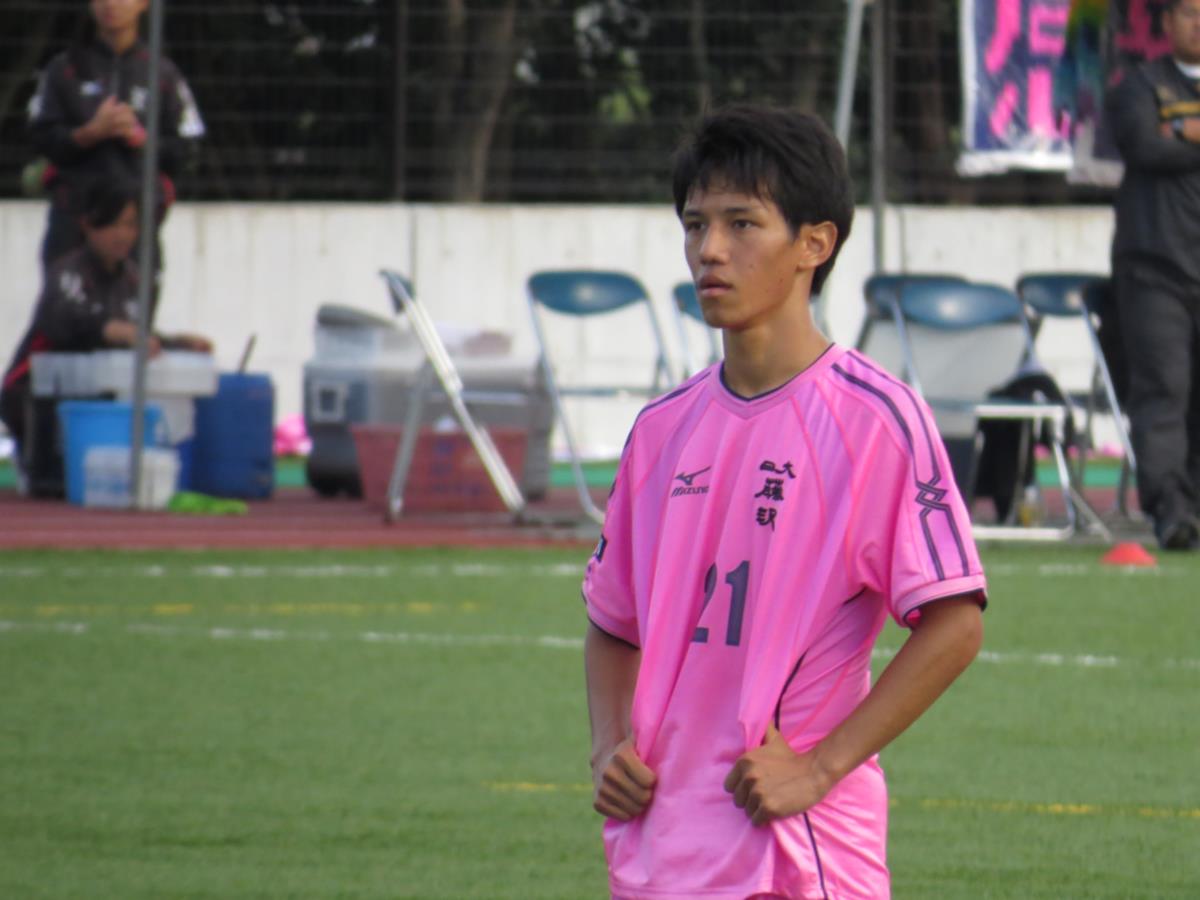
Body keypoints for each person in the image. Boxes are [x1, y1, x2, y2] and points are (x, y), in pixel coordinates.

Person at [582, 105, 987, 899]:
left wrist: (819, 768)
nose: (710, 249)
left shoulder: (875, 420)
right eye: (695, 224)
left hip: (799, 851)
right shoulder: (660, 431)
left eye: (742, 223)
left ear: (815, 243)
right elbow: (611, 621)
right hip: (661, 847)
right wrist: (607, 746)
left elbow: (955, 623)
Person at [0, 178, 211, 493]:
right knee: (53, 484)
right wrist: (105, 329)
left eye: (130, 225)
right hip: (36, 390)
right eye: (113, 224)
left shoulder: (133, 278)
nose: (122, 234)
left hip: (100, 394)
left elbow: (136, 333)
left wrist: (177, 343)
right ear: (89, 224)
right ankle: (37, 461)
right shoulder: (68, 272)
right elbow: (60, 324)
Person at [1105, 0, 1200, 550]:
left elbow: (1168, 143)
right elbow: (1144, 145)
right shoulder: (1139, 85)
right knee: (1164, 388)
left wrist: (1183, 129)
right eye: (1189, 12)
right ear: (1167, 22)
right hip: (1154, 269)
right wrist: (1174, 134)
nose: (1198, 23)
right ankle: (1171, 512)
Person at [28, 0, 204, 276]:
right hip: (73, 221)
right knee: (66, 302)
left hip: (137, 228)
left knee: (134, 303)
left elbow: (188, 151)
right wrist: (89, 134)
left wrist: (142, 140)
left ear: (144, 4)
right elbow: (39, 138)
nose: (111, 3)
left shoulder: (163, 73)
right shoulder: (63, 69)